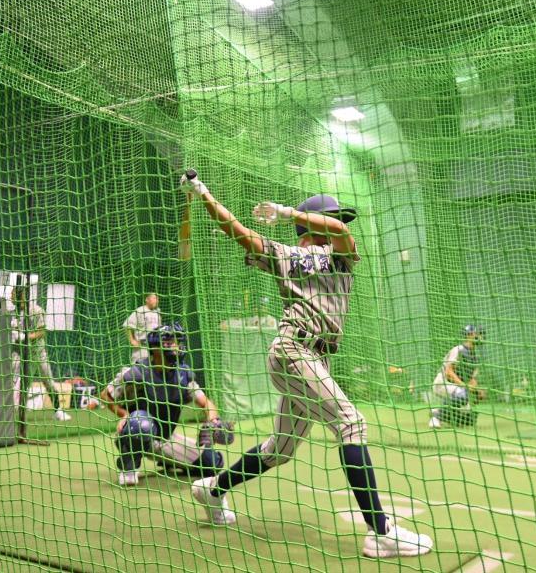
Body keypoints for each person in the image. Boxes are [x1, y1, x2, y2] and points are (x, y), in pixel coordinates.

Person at [180, 170, 432, 558]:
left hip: (310, 357)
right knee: (351, 422)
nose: (341, 226)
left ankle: (211, 489)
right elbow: (239, 232)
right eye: (334, 219)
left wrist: (283, 212)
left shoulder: (341, 255)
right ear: (310, 227)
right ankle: (381, 532)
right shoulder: (287, 254)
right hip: (295, 350)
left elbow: (338, 231)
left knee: (279, 449)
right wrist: (204, 194)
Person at [100, 324, 227, 486]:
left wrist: (212, 422)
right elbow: (105, 394)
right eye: (169, 342)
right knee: (140, 424)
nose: (176, 346)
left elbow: (207, 403)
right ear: (155, 348)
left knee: (213, 464)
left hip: (166, 438)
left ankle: (170, 461)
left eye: (177, 342)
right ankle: (129, 466)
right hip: (141, 432)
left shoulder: (182, 375)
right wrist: (124, 414)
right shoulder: (138, 373)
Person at [10, 284, 70, 422]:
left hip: (37, 354)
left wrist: (26, 337)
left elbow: (42, 331)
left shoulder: (35, 310)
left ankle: (58, 411)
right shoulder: (13, 313)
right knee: (19, 384)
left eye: (13, 294)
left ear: (22, 296)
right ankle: (17, 414)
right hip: (20, 355)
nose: (11, 297)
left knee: (48, 382)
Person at [428, 325, 485, 429]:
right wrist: (464, 385)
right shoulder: (459, 350)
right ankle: (436, 417)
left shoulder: (475, 357)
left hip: (456, 386)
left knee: (470, 418)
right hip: (443, 383)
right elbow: (449, 372)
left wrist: (477, 391)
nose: (480, 336)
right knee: (463, 395)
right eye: (477, 334)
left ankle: (439, 411)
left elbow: (472, 379)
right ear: (469, 335)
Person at [124, 293, 162, 363]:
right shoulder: (140, 311)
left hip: (154, 348)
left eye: (157, 299)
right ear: (147, 299)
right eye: (154, 298)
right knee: (138, 371)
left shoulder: (157, 314)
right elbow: (127, 325)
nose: (156, 301)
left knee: (152, 372)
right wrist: (132, 340)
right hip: (142, 348)